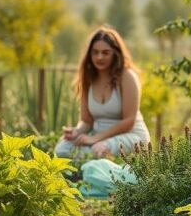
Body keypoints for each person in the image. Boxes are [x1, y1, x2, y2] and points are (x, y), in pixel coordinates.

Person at [55, 27, 150, 159]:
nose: (100, 57)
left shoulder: (127, 76)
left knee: (97, 150)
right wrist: (76, 132)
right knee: (62, 148)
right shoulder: (88, 79)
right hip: (97, 139)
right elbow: (86, 121)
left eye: (106, 53)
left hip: (131, 135)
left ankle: (85, 170)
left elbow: (129, 121)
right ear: (90, 55)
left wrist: (94, 139)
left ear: (115, 54)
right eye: (95, 52)